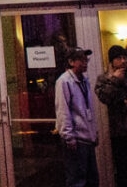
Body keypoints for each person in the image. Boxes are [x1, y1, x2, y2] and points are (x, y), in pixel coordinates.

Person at [56, 48, 99, 187]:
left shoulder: (84, 80)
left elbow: (89, 108)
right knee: (77, 181)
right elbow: (63, 110)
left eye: (86, 59)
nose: (85, 63)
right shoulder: (64, 81)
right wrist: (69, 136)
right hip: (76, 139)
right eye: (81, 60)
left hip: (87, 138)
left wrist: (94, 132)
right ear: (71, 62)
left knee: (92, 179)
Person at [96, 45, 127, 187]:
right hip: (119, 132)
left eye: (125, 57)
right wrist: (115, 80)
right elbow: (104, 97)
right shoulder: (104, 78)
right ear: (112, 61)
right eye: (119, 58)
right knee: (122, 169)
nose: (123, 61)